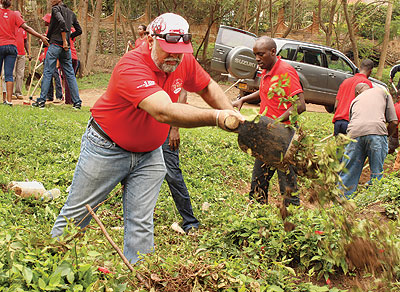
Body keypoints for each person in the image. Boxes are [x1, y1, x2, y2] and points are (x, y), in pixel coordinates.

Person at [51, 13, 244, 264]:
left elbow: (206, 86)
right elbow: (163, 111)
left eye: (180, 51)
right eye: (168, 50)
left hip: (151, 153)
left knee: (141, 221)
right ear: (151, 41)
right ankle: (52, 264)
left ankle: (139, 275)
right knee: (76, 215)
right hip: (107, 148)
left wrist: (230, 111)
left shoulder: (181, 59)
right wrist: (219, 118)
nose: (174, 57)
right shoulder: (131, 65)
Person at [232, 36, 306, 206]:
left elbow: (300, 105)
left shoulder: (285, 71)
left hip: (283, 138)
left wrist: (277, 121)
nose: (257, 58)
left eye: (261, 54)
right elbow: (264, 91)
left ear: (273, 52)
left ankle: (292, 224)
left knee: (287, 186)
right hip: (266, 134)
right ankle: (258, 219)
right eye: (255, 54)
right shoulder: (266, 69)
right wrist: (243, 99)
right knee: (258, 181)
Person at [339, 83, 398, 199]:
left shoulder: (355, 101)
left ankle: (342, 201)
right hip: (376, 132)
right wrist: (385, 136)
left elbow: (353, 123)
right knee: (376, 171)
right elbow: (394, 122)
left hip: (354, 134)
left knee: (349, 170)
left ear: (357, 93)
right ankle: (371, 201)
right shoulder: (383, 91)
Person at [32, 0, 82, 109]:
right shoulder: (71, 13)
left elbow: (62, 23)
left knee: (48, 71)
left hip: (55, 44)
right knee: (70, 74)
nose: (50, 1)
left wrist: (64, 39)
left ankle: (41, 101)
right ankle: (77, 102)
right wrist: (69, 37)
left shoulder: (55, 9)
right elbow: (79, 30)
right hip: (66, 48)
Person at [162, 89, 199, 234]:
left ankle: (189, 221)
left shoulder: (176, 68)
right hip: (145, 129)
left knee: (173, 175)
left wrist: (175, 128)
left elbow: (182, 95)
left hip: (166, 128)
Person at [0, 0, 48, 106]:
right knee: (9, 75)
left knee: (5, 74)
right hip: (12, 47)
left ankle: (6, 98)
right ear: (10, 4)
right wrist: (40, 36)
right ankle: (9, 101)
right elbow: (26, 27)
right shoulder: (14, 15)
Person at [332, 59, 374, 136]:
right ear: (370, 71)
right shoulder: (366, 84)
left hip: (338, 122)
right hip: (352, 123)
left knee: (338, 147)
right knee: (351, 148)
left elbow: (336, 105)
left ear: (359, 68)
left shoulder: (345, 81)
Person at [1, 11, 31, 100]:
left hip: (21, 54)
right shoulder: (9, 27)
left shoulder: (23, 30)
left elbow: (25, 41)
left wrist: (28, 53)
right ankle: (11, 93)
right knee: (11, 73)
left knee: (20, 74)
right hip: (12, 52)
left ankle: (19, 92)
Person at [41, 13, 63, 102]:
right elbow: (45, 45)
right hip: (47, 56)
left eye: (45, 20)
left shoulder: (54, 31)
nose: (44, 22)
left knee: (56, 76)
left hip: (53, 57)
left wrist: (57, 60)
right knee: (47, 76)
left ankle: (59, 95)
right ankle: (49, 96)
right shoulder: (47, 31)